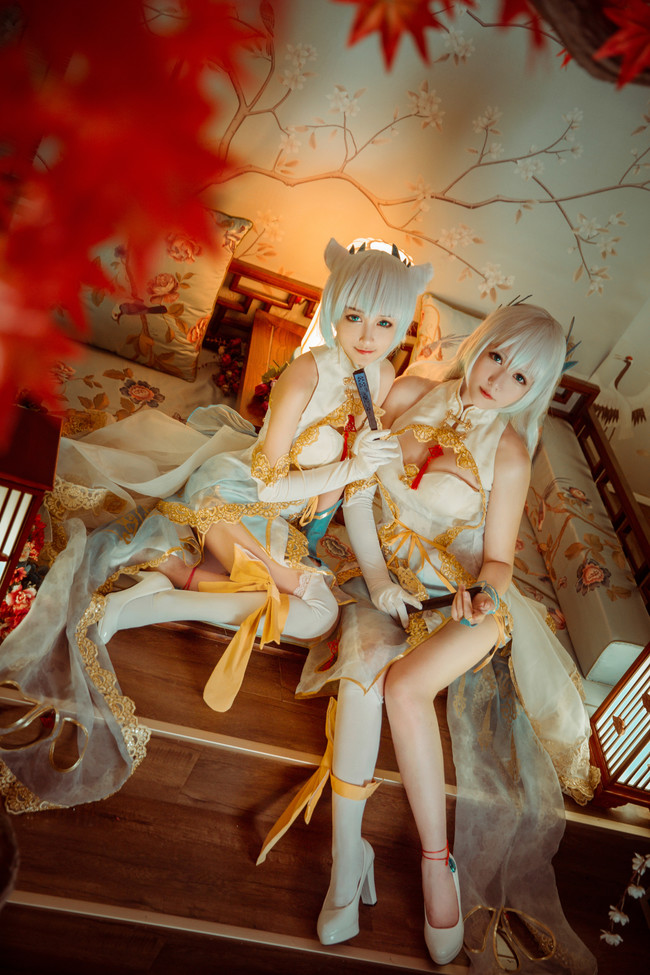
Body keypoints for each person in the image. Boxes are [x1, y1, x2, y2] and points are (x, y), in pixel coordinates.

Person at [0, 236, 432, 812]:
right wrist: (353, 465)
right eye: (354, 316)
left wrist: (379, 580)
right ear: (334, 308)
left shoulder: (379, 379)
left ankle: (160, 591)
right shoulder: (304, 375)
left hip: (282, 524)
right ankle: (150, 597)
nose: (367, 336)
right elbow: (269, 482)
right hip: (236, 493)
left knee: (317, 616)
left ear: (400, 326)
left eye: (384, 323)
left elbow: (355, 495)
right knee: (313, 606)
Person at [258, 304, 597, 973]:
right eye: (497, 356)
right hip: (377, 578)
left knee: (406, 688)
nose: (498, 379)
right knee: (363, 682)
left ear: (534, 391)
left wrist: (482, 595)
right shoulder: (408, 392)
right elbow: (352, 461)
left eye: (521, 377)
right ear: (480, 344)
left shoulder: (509, 451)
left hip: (462, 599)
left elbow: (497, 561)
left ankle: (437, 866)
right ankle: (346, 864)